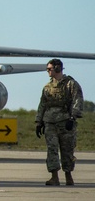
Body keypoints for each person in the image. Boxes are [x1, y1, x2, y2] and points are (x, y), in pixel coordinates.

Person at [36, 58, 84, 186]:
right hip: (50, 122)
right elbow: (42, 104)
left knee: (67, 150)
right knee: (52, 149)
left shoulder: (71, 84)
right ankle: (54, 177)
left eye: (50, 69)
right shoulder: (47, 87)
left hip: (65, 122)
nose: (48, 72)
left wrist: (73, 118)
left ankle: (68, 176)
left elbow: (77, 101)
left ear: (57, 68)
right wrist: (39, 122)